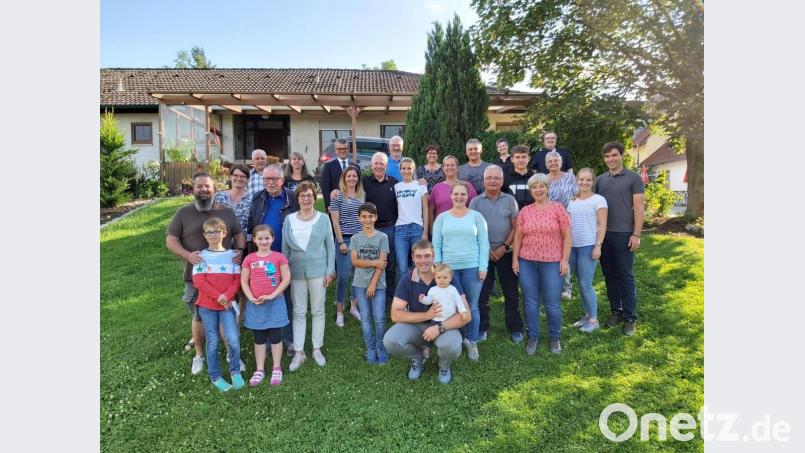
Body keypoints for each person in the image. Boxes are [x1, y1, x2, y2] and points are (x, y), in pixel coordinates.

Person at [166, 172, 245, 375]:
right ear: (193, 189)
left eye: (207, 186)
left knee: (227, 313)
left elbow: (239, 234)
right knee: (199, 317)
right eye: (199, 186)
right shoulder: (183, 213)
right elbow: (171, 240)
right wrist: (186, 255)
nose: (203, 190)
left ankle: (230, 354)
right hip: (196, 277)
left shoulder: (226, 212)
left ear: (214, 189)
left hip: (224, 276)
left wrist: (240, 251)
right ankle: (199, 356)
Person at [383, 240, 471, 384]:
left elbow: (466, 313)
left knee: (453, 346)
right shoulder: (407, 280)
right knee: (390, 341)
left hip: (444, 325)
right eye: (419, 256)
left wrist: (439, 327)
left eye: (427, 256)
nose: (423, 261)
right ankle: (417, 356)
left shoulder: (446, 277)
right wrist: (427, 315)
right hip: (417, 326)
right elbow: (395, 314)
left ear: (433, 256)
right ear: (412, 257)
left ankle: (444, 365)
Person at [512, 173, 571, 355]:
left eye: (541, 186)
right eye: (534, 187)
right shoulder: (525, 211)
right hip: (527, 261)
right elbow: (518, 236)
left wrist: (564, 260)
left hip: (552, 262)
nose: (538, 190)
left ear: (547, 188)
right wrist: (514, 259)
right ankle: (533, 337)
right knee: (530, 301)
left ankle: (554, 338)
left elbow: (567, 236)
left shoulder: (558, 209)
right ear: (531, 191)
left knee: (552, 302)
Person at [432, 182, 489, 362]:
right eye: (456, 194)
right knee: (452, 306)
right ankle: (455, 338)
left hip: (472, 267)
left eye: (462, 194)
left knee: (471, 305)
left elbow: (484, 244)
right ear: (451, 196)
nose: (459, 197)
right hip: (449, 270)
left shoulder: (476, 217)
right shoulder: (442, 218)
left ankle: (472, 341)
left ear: (468, 196)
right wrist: (438, 266)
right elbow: (436, 244)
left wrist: (483, 267)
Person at [282, 181, 336, 370]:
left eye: (310, 196)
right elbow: (285, 249)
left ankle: (316, 349)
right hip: (295, 272)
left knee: (318, 310)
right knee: (298, 311)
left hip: (319, 271)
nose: (306, 198)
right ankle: (299, 352)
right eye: (302, 195)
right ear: (297, 199)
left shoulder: (323, 219)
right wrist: (284, 273)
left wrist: (330, 270)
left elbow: (330, 246)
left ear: (315, 198)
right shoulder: (289, 220)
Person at [593, 141, 644, 336]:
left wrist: (636, 234)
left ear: (621, 155)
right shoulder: (600, 180)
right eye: (607, 156)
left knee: (625, 276)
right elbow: (590, 201)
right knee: (610, 276)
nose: (610, 159)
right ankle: (617, 311)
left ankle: (630, 318)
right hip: (604, 235)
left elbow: (639, 208)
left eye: (614, 155)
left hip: (624, 234)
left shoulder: (633, 178)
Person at [247, 164, 300, 354]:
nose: (270, 182)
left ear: (282, 180)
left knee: (286, 299)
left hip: (286, 257)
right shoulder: (258, 197)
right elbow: (250, 225)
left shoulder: (293, 198)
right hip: (263, 259)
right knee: (266, 296)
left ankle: (288, 339)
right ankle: (268, 339)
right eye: (266, 179)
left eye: (274, 179)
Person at [469, 165, 524, 343]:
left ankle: (515, 328)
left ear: (502, 181)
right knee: (482, 293)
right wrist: (487, 250)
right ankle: (482, 328)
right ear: (484, 180)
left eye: (496, 178)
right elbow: (472, 229)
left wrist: (503, 246)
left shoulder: (510, 200)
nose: (492, 181)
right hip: (483, 255)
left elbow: (516, 226)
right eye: (489, 178)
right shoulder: (476, 202)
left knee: (511, 292)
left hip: (506, 252)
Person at [191, 217, 244, 392]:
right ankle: (216, 376)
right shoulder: (200, 257)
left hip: (227, 304)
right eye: (209, 232)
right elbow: (199, 282)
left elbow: (237, 279)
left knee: (233, 339)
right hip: (207, 305)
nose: (213, 235)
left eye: (217, 231)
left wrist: (227, 296)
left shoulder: (233, 256)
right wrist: (218, 296)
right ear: (204, 235)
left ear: (224, 233)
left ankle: (235, 371)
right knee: (212, 340)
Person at [241, 224, 291, 386]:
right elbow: (244, 281)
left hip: (275, 302)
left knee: (276, 336)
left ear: (273, 239)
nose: (264, 241)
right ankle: (259, 369)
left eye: (267, 238)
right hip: (256, 304)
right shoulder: (249, 259)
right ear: (254, 240)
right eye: (260, 238)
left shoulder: (279, 257)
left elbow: (286, 279)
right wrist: (250, 297)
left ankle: (277, 368)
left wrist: (271, 296)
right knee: (259, 337)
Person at [567, 168, 608, 333]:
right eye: (581, 180)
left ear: (593, 182)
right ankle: (587, 314)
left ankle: (594, 320)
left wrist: (598, 245)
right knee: (581, 282)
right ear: (577, 181)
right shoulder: (572, 201)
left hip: (589, 245)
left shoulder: (598, 200)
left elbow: (603, 225)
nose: (584, 183)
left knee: (586, 283)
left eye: (588, 180)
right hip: (573, 247)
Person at [350, 202, 390, 364]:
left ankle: (381, 348)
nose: (367, 219)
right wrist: (374, 263)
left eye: (370, 216)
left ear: (376, 217)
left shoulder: (382, 237)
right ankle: (370, 348)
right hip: (360, 284)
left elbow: (383, 263)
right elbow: (354, 261)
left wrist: (373, 283)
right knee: (366, 318)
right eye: (364, 217)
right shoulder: (355, 238)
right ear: (359, 218)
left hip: (378, 284)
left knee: (379, 318)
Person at [361, 152, 399, 305]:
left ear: (386, 166)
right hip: (371, 230)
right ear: (371, 166)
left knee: (389, 264)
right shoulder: (364, 182)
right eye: (375, 163)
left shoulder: (394, 183)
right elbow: (348, 190)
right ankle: (369, 296)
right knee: (370, 263)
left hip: (390, 228)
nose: (378, 166)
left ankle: (389, 299)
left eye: (381, 163)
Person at [328, 166, 364, 327]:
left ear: (358, 178)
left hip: (360, 240)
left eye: (354, 176)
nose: (351, 178)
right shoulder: (338, 196)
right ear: (344, 178)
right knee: (342, 277)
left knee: (358, 275)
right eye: (348, 176)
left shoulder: (363, 195)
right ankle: (339, 311)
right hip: (344, 240)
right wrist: (341, 242)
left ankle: (354, 306)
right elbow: (335, 221)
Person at [545, 150, 578, 299]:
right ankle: (552, 285)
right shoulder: (543, 179)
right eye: (550, 161)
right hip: (549, 221)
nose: (553, 163)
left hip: (567, 218)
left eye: (555, 160)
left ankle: (566, 288)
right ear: (546, 164)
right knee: (552, 253)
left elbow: (577, 196)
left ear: (561, 162)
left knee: (565, 253)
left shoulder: (570, 178)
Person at [394, 158, 429, 276]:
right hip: (400, 230)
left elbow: (425, 209)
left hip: (417, 229)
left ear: (413, 170)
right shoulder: (397, 187)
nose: (406, 171)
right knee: (402, 268)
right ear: (400, 170)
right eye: (403, 168)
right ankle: (402, 294)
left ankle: (417, 293)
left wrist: (425, 232)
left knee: (418, 266)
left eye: (409, 168)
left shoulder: (421, 186)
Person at [428, 155, 478, 234]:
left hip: (464, 228)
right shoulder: (437, 188)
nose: (449, 167)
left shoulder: (467, 186)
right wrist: (431, 229)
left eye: (452, 165)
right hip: (442, 230)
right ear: (443, 169)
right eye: (447, 165)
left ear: (457, 168)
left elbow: (475, 207)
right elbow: (430, 209)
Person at [214, 163, 252, 236]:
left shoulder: (252, 200)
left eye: (243, 176)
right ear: (230, 176)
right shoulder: (218, 197)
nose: (239, 178)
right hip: (219, 242)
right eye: (236, 175)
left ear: (247, 179)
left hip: (243, 244)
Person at [320, 138, 359, 209]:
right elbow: (325, 188)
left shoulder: (356, 167)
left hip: (353, 205)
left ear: (348, 149)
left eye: (345, 148)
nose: (342, 150)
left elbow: (359, 187)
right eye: (339, 148)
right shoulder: (328, 166)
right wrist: (328, 205)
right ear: (335, 150)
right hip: (336, 205)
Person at [503, 144, 535, 209]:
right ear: (512, 159)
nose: (521, 160)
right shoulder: (505, 178)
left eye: (524, 157)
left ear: (529, 158)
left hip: (533, 216)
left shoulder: (535, 177)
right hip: (512, 216)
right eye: (517, 157)